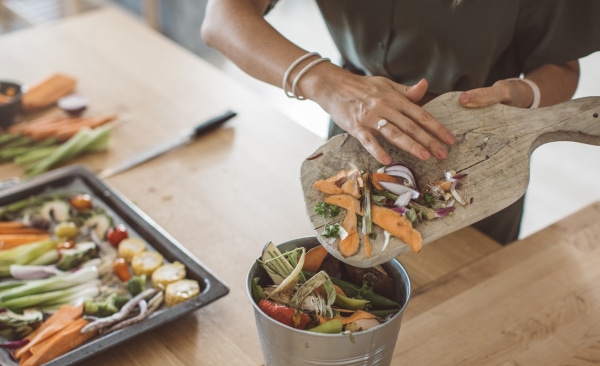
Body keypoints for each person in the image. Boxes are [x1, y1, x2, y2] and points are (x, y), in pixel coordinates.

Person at [201, 0, 600, 244]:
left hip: (481, 154)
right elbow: (222, 16)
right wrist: (326, 83)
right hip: (360, 133)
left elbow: (561, 65)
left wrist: (522, 95)